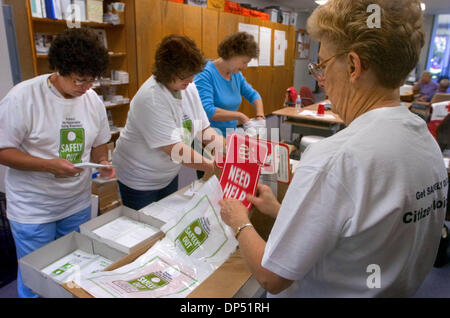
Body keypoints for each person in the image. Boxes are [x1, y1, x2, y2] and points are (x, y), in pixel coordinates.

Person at [219, 0, 448, 297]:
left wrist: (239, 222)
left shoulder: (334, 159)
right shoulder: (425, 141)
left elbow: (271, 277)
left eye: (322, 66)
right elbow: (364, 230)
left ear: (353, 65)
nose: (322, 82)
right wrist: (279, 210)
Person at [0, 27, 115, 298]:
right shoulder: (23, 97)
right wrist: (48, 165)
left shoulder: (91, 100)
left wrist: (102, 160)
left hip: (75, 203)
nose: (86, 88)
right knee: (35, 277)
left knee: (72, 269)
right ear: (59, 70)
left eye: (91, 81)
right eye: (79, 81)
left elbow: (100, 141)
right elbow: (2, 150)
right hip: (33, 209)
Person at [112, 35, 224, 211]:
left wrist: (227, 152)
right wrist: (212, 166)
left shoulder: (188, 87)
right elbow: (175, 150)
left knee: (167, 218)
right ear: (166, 71)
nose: (191, 80)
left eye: (192, 75)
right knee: (145, 229)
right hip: (139, 179)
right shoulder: (151, 97)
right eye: (184, 76)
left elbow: (204, 130)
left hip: (167, 173)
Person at [194, 32, 265, 138]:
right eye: (244, 62)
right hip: (209, 138)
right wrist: (240, 116)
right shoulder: (205, 74)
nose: (245, 67)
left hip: (229, 134)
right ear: (232, 54)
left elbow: (253, 95)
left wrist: (260, 115)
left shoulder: (236, 74)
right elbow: (208, 110)